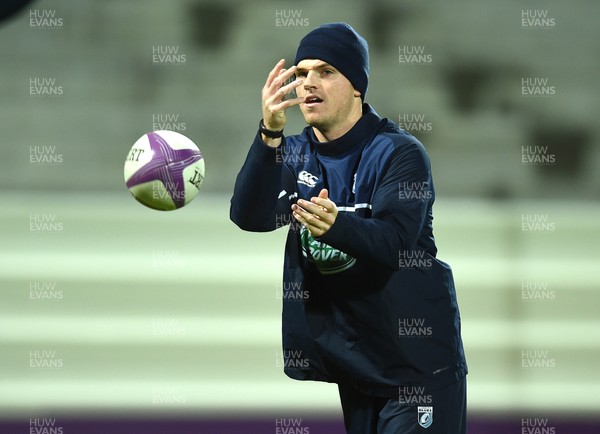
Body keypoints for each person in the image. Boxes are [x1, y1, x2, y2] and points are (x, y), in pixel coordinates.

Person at [230, 22, 467, 434]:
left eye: (325, 71)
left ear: (357, 85)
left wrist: (336, 226)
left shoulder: (399, 153)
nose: (308, 83)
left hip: (416, 369)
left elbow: (394, 243)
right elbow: (249, 217)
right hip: (358, 366)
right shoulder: (295, 152)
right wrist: (269, 132)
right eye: (301, 73)